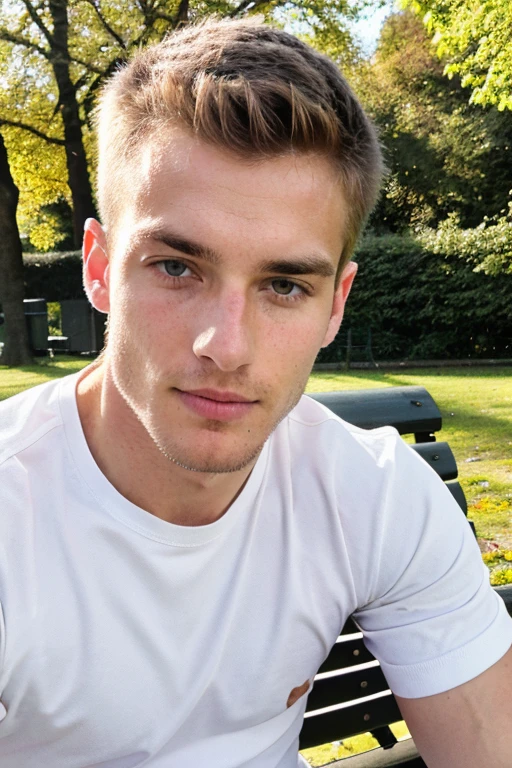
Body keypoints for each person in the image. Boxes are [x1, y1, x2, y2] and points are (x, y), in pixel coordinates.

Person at [0, 17, 511, 768]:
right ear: (101, 268)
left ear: (335, 304)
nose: (226, 346)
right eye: (177, 267)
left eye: (283, 284)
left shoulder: (373, 497)